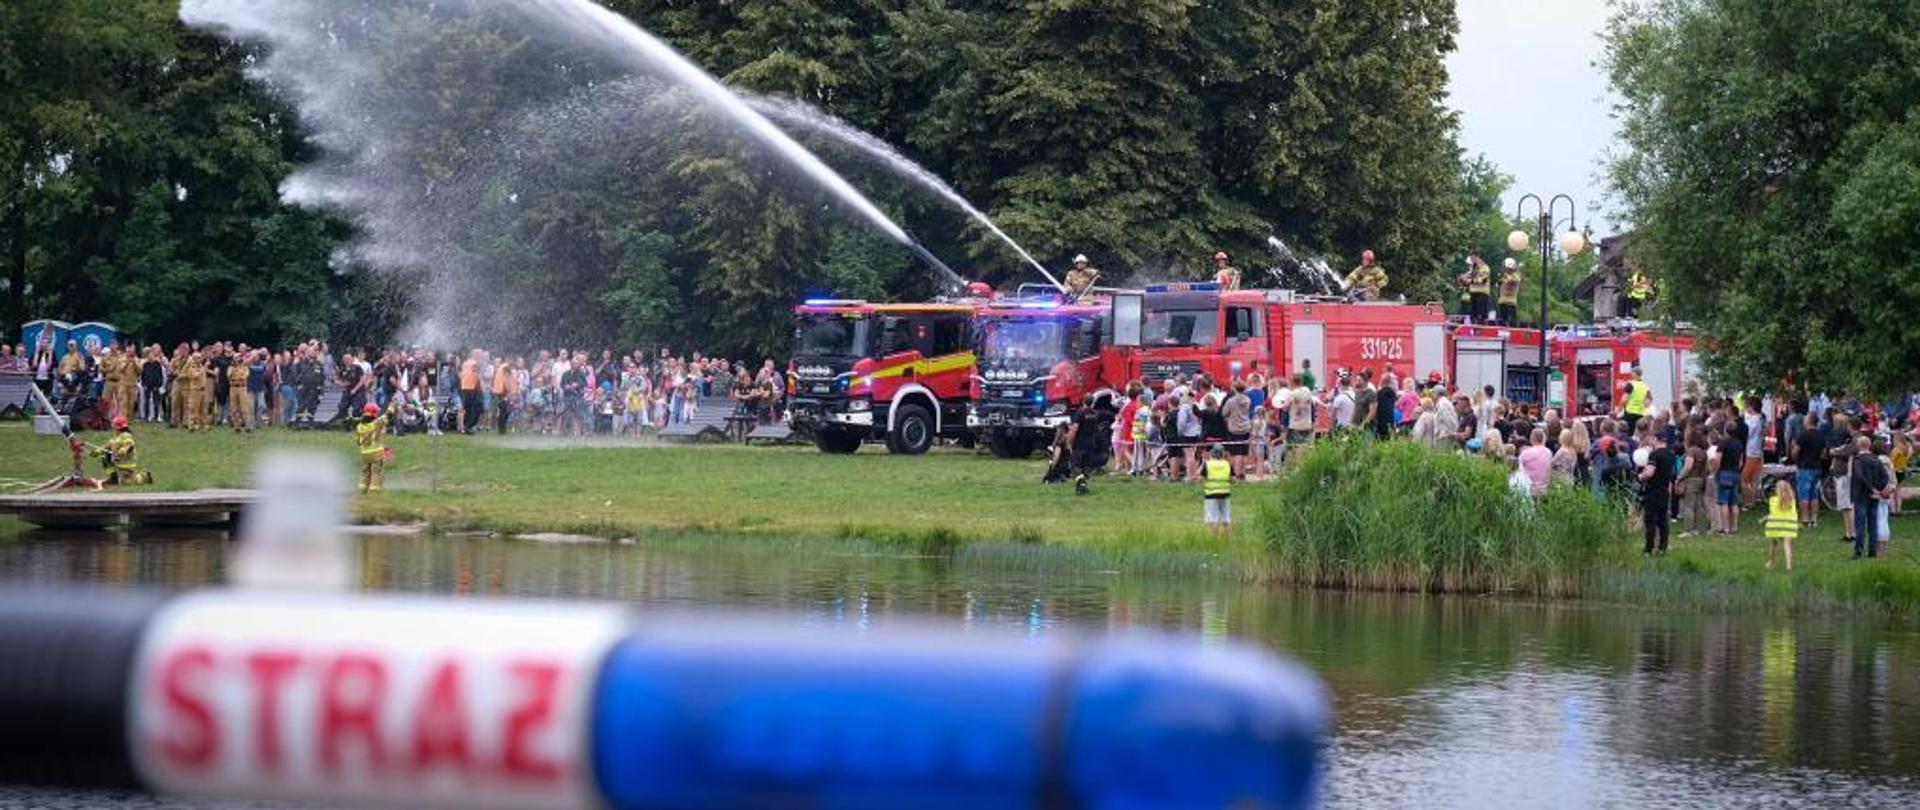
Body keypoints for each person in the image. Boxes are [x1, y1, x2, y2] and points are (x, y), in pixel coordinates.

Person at [1849, 434, 1892, 559]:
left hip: (1861, 494)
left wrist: (1871, 488)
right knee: (1873, 524)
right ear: (1869, 446)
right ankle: (1872, 551)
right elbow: (1885, 477)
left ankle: (1859, 550)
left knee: (1860, 524)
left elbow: (1860, 476)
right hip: (1874, 497)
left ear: (1858, 446)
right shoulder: (1876, 459)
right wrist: (1879, 489)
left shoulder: (1857, 460)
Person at [1639, 431, 1676, 554]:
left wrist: (1641, 476)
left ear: (1655, 439)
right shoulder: (1671, 455)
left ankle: (1649, 548)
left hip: (1652, 490)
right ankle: (1663, 546)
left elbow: (1650, 472)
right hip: (1664, 489)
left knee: (1650, 520)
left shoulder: (1654, 454)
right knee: (1662, 520)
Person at [91, 415, 150, 485]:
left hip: (127, 463)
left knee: (126, 482)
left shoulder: (126, 436)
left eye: (114, 426)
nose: (113, 428)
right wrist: (97, 451)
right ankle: (113, 478)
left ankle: (144, 477)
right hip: (119, 462)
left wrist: (121, 451)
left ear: (117, 427)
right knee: (105, 458)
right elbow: (106, 447)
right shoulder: (117, 438)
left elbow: (129, 445)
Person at [354, 401, 396, 494]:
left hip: (364, 453)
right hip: (376, 453)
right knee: (376, 472)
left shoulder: (359, 426)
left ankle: (362, 489)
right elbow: (388, 415)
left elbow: (358, 441)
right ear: (374, 413)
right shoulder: (377, 423)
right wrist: (392, 404)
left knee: (365, 472)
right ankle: (374, 490)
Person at [1792, 414, 1826, 526]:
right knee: (1814, 494)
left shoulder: (1803, 435)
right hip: (1817, 467)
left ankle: (1805, 519)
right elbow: (1823, 453)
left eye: (1805, 418)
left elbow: (1795, 451)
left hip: (1804, 467)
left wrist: (1796, 460)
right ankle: (1814, 519)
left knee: (1804, 494)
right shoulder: (1821, 436)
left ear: (1809, 421)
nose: (1804, 420)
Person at [1711, 429, 1743, 534]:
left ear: (1726, 431)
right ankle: (1735, 527)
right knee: (1733, 502)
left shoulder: (1723, 444)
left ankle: (1725, 528)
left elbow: (1717, 460)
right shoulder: (1739, 444)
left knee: (1723, 502)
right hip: (1735, 473)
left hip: (1724, 472)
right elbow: (1740, 462)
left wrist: (1715, 471)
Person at [1763, 479, 1797, 571]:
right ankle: (1788, 566)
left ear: (1777, 489)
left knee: (1773, 544)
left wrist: (1765, 518)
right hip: (1789, 526)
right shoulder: (1792, 501)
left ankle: (1771, 561)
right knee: (1787, 545)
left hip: (1775, 526)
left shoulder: (1772, 500)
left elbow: (1773, 513)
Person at [1202, 444, 1233, 536]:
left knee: (1212, 518)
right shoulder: (1227, 464)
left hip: (1211, 494)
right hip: (1225, 493)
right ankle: (1229, 537)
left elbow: (1201, 479)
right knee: (1226, 517)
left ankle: (1213, 538)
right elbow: (1233, 480)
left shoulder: (1208, 464)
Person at [1518, 428, 1553, 496]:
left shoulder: (1525, 453)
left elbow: (1519, 468)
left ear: (1532, 439)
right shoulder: (1548, 453)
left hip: (1529, 488)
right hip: (1544, 488)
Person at [1458, 253, 1491, 323]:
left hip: (1482, 293)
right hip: (1473, 293)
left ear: (1477, 257)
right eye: (1471, 259)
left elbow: (1483, 280)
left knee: (1481, 315)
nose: (1472, 261)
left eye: (1473, 259)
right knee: (1472, 315)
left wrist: (1470, 281)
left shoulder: (1484, 267)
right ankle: (1474, 329)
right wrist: (1462, 279)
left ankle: (1482, 329)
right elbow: (1467, 276)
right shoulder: (1473, 269)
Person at [228, 352, 253, 432]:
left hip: (242, 387)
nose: (237, 359)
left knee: (244, 407)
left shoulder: (245, 367)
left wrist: (237, 374)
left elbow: (244, 376)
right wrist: (235, 370)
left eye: (238, 357)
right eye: (235, 358)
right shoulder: (231, 367)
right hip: (233, 388)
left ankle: (247, 425)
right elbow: (229, 375)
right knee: (234, 407)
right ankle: (236, 425)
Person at [1496, 259, 1521, 325]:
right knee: (1502, 321)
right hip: (1502, 300)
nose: (1506, 269)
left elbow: (1515, 280)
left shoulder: (1516, 275)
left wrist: (1506, 277)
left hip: (1511, 302)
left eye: (1507, 268)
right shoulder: (1504, 275)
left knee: (1512, 322)